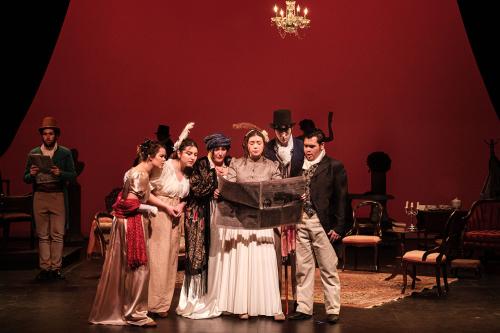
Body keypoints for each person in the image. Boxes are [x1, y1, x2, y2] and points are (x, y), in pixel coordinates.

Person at [89, 139, 167, 327]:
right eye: (162, 156)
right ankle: (135, 313)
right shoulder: (140, 174)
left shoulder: (137, 172)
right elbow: (128, 204)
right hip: (131, 223)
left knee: (128, 267)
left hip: (127, 221)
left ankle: (129, 309)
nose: (164, 160)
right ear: (150, 156)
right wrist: (148, 209)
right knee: (139, 268)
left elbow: (130, 199)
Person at [216, 128, 285, 321]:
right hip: (241, 222)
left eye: (259, 143)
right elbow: (227, 186)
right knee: (244, 262)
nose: (255, 146)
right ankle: (242, 305)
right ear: (246, 145)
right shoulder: (236, 164)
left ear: (264, 145)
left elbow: (278, 190)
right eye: (252, 143)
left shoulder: (272, 166)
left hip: (263, 222)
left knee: (264, 262)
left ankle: (271, 306)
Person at [288, 129, 348, 324]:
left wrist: (339, 227)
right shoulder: (299, 167)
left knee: (328, 267)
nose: (307, 150)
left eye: (312, 146)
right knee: (303, 268)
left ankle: (332, 309)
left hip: (322, 222)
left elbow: (342, 199)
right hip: (301, 220)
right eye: (305, 146)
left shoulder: (334, 166)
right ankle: (304, 307)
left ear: (322, 146)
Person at [176, 133, 231, 318]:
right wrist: (215, 179)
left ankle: (221, 296)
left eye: (224, 149)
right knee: (200, 255)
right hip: (201, 215)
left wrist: (227, 177)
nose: (221, 153)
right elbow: (197, 189)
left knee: (220, 256)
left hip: (223, 216)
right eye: (217, 149)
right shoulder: (201, 164)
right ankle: (197, 299)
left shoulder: (231, 164)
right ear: (211, 150)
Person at [148, 132, 198, 318]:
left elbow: (186, 196)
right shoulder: (165, 166)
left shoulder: (188, 173)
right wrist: (166, 206)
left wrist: (180, 205)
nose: (192, 157)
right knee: (157, 258)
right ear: (179, 153)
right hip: (159, 213)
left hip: (176, 215)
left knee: (171, 259)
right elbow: (148, 192)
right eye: (189, 153)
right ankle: (150, 302)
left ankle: (162, 305)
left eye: (195, 154)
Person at [24, 116, 76, 281]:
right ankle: (45, 268)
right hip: (40, 194)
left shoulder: (64, 153)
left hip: (57, 194)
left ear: (56, 135)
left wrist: (60, 173)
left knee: (57, 234)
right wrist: (30, 175)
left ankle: (56, 268)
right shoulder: (34, 153)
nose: (47, 137)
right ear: (42, 135)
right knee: (43, 235)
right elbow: (25, 177)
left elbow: (73, 175)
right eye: (45, 133)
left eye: (51, 133)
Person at [264, 109, 304, 311]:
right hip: (277, 208)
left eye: (286, 129)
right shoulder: (267, 148)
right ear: (274, 131)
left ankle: (299, 299)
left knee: (298, 255)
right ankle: (276, 299)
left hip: (296, 207)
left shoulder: (301, 146)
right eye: (279, 130)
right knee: (276, 254)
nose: (283, 134)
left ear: (291, 128)